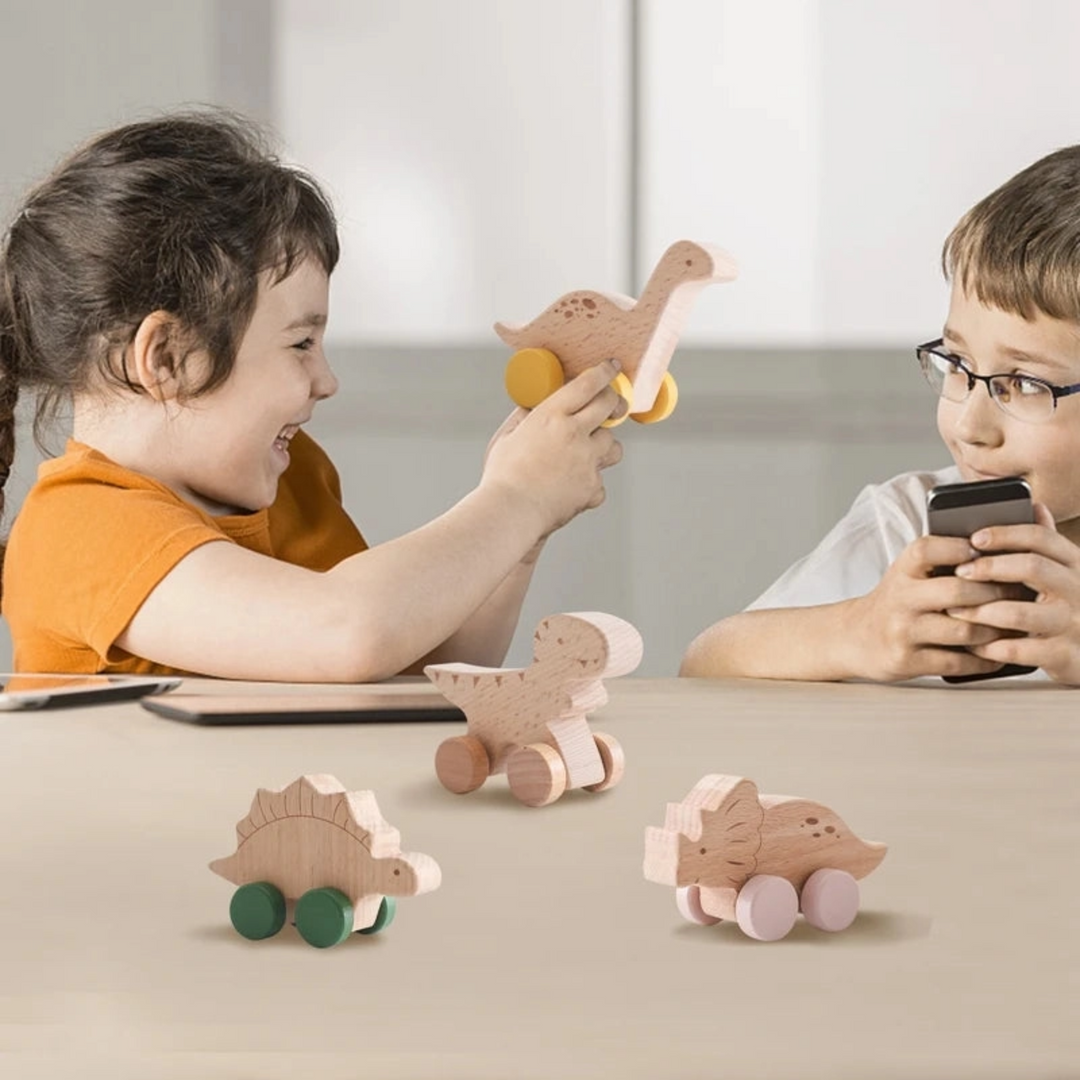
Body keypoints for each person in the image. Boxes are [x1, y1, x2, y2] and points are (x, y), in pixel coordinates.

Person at [0, 111, 624, 681]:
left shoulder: (294, 478)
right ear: (166, 358)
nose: (327, 381)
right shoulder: (78, 529)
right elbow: (352, 634)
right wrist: (514, 499)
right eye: (301, 344)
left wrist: (520, 533)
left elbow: (422, 664)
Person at [682, 146, 1080, 686]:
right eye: (958, 364)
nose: (969, 427)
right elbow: (707, 666)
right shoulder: (904, 529)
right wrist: (858, 630)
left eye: (1026, 384)